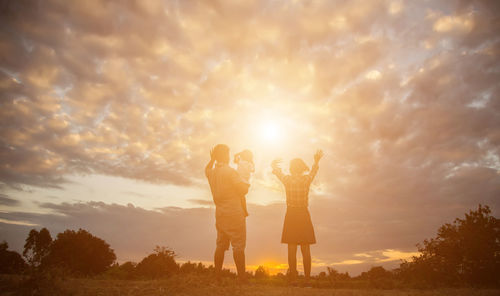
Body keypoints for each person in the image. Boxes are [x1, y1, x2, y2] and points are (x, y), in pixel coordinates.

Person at [271, 150, 324, 284]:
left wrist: (273, 165)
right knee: (305, 249)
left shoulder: (288, 179)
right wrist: (316, 161)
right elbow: (313, 172)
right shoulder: (306, 179)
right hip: (303, 214)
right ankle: (307, 280)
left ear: (291, 168)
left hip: (291, 214)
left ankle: (293, 280)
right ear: (301, 168)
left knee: (291, 248)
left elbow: (278, 173)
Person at [205, 144, 250, 283]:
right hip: (234, 212)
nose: (230, 157)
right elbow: (243, 190)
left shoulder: (212, 173)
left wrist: (212, 159)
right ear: (225, 155)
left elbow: (206, 169)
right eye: (228, 154)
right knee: (238, 245)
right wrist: (246, 178)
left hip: (220, 213)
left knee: (220, 245)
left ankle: (217, 276)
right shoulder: (230, 172)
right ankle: (241, 278)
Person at [234, 149, 255, 217]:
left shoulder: (241, 162)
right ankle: (244, 211)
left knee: (239, 196)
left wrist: (240, 153)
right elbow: (253, 170)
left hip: (240, 183)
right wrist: (252, 161)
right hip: (246, 185)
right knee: (241, 197)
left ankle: (244, 211)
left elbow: (235, 158)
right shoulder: (249, 164)